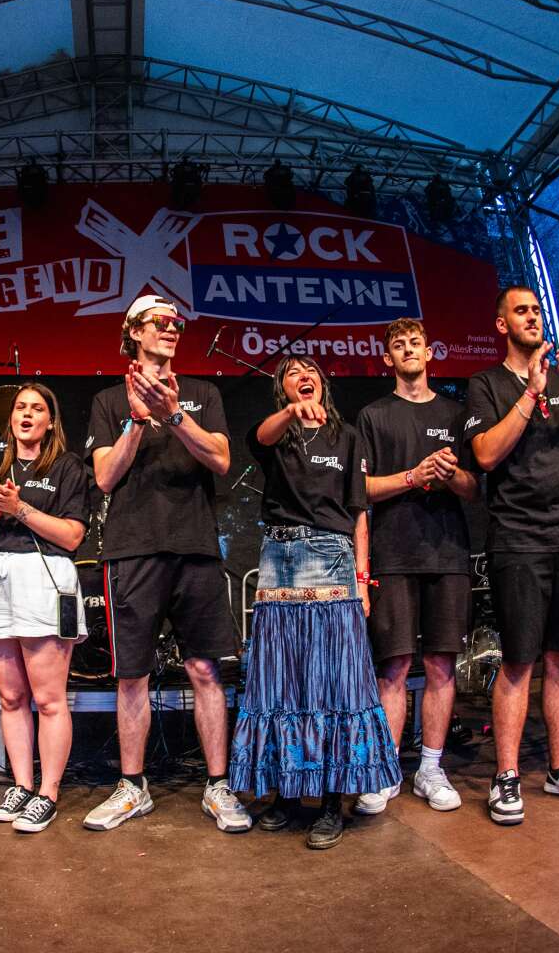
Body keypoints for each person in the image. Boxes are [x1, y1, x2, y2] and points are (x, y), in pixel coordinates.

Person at [83, 294, 250, 834]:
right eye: (160, 322)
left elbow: (222, 459)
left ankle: (218, 786)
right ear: (133, 331)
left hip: (196, 549)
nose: (172, 329)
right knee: (132, 675)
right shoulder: (109, 400)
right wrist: (137, 421)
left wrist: (173, 414)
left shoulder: (202, 392)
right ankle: (134, 788)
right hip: (133, 552)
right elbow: (105, 478)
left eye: (176, 322)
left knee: (205, 670)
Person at [230, 355, 398, 850]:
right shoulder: (276, 435)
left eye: (311, 372)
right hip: (279, 560)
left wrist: (363, 581)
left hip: (332, 561)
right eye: (291, 373)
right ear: (283, 388)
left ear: (323, 383)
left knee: (328, 683)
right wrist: (291, 412)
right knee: (282, 680)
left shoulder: (346, 438)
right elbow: (257, 438)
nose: (304, 377)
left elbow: (358, 512)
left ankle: (329, 801)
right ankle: (286, 795)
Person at [465, 285, 559, 826]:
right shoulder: (486, 384)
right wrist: (529, 394)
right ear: (501, 324)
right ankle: (506, 776)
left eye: (536, 310)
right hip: (518, 540)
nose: (533, 316)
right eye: (521, 311)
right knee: (520, 660)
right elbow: (484, 455)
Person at [356, 319, 479, 815]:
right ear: (388, 359)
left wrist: (451, 477)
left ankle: (430, 768)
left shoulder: (457, 412)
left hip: (447, 554)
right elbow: (359, 491)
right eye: (398, 346)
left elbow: (475, 490)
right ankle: (385, 769)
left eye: (415, 343)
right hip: (394, 554)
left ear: (431, 352)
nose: (408, 350)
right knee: (394, 667)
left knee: (441, 665)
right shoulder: (372, 415)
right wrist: (412, 475)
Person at [0, 383, 90, 834]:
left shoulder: (68, 467)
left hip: (45, 576)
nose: (27, 415)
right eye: (21, 408)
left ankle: (48, 793)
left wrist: (20, 508)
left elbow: (73, 537)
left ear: (50, 421)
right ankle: (20, 785)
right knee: (11, 696)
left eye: (37, 409)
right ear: (11, 418)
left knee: (49, 698)